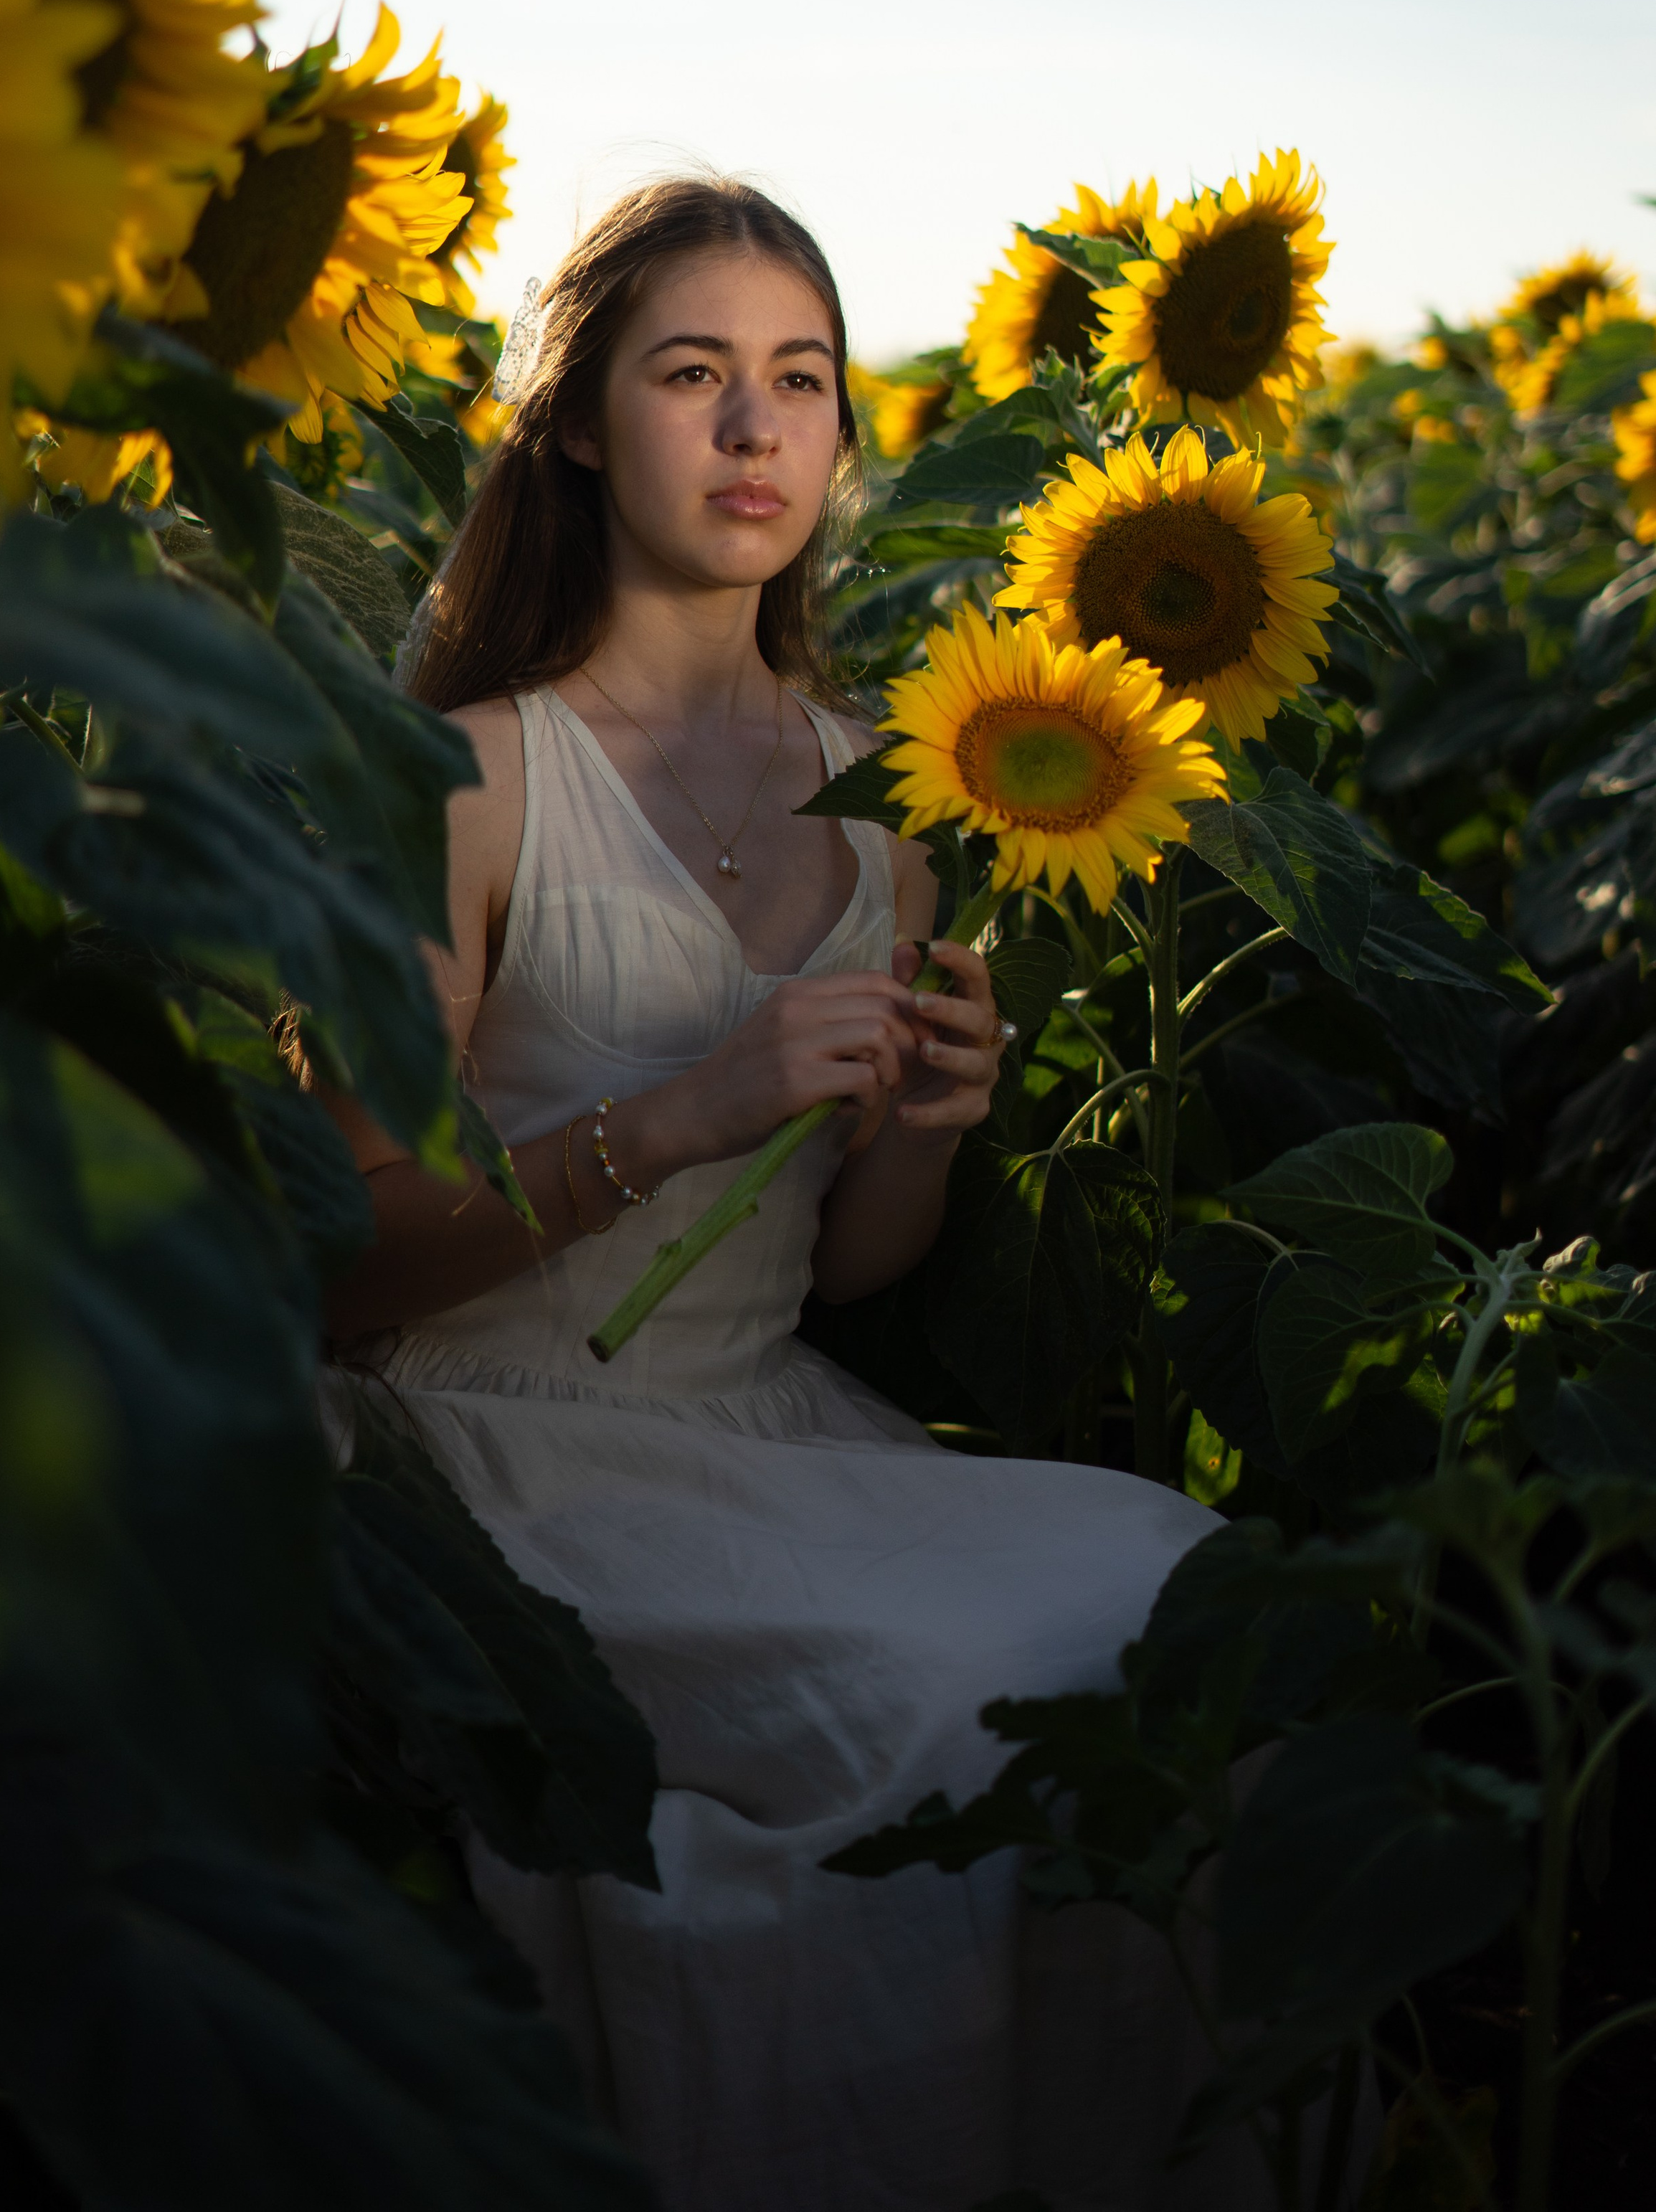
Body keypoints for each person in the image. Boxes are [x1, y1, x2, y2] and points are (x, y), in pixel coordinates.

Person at [321, 177, 1246, 2212]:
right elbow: (345, 1254)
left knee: (1194, 1590)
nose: (755, 430)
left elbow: (847, 1276)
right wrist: (681, 1108)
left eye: (800, 381)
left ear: (841, 439)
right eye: (693, 375)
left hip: (766, 1429)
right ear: (577, 425)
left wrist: (922, 1123)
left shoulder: (889, 794)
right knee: (910, 1694)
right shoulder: (472, 783)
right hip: (505, 1448)